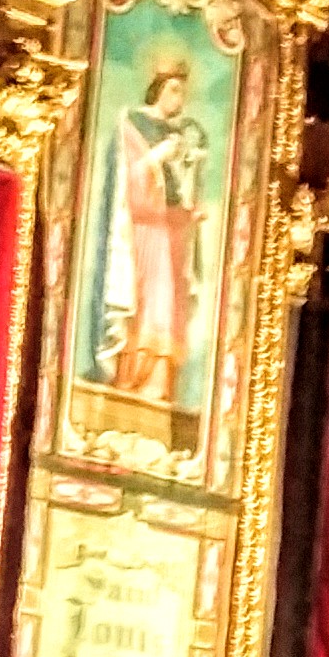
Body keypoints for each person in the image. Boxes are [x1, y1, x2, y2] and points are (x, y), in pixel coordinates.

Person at [98, 51, 209, 408]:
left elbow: (177, 188)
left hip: (169, 231)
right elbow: (128, 177)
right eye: (174, 90)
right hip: (144, 229)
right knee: (147, 300)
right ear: (159, 89)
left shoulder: (180, 134)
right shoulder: (133, 123)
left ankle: (159, 383)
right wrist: (156, 156)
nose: (179, 99)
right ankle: (132, 377)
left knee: (169, 304)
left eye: (183, 93)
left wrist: (189, 212)